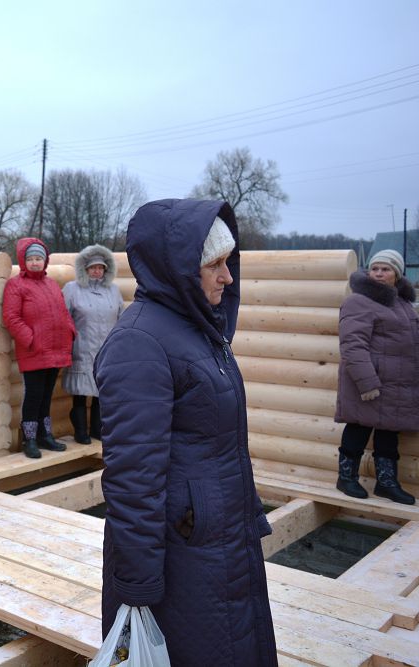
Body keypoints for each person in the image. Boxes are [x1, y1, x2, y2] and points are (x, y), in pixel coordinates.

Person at [95, 200, 277, 665]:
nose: (227, 277)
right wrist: (136, 587)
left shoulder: (196, 330)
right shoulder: (140, 342)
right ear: (177, 269)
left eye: (227, 263)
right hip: (182, 556)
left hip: (216, 541)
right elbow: (133, 478)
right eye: (214, 264)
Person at [334, 249, 418, 505]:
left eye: (387, 269)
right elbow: (352, 344)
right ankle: (346, 478)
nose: (379, 273)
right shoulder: (358, 301)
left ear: (397, 275)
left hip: (397, 385)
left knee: (389, 433)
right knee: (358, 428)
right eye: (375, 268)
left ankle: (386, 482)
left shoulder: (403, 305)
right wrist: (367, 382)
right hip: (368, 382)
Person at [2, 238, 75, 458]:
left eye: (38, 259)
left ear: (45, 261)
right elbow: (11, 317)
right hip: (34, 350)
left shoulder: (51, 284)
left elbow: (63, 312)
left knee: (46, 395)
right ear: (24, 261)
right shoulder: (16, 285)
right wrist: (31, 339)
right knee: (33, 395)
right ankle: (29, 439)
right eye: (31, 259)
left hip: (57, 349)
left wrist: (70, 331)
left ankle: (45, 435)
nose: (35, 263)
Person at [62, 244, 123, 444]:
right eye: (93, 268)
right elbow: (63, 318)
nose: (97, 271)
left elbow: (121, 318)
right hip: (82, 346)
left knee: (101, 392)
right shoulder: (72, 289)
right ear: (85, 269)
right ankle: (80, 431)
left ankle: (97, 429)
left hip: (107, 349)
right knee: (80, 391)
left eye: (101, 268)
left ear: (106, 270)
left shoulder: (113, 291)